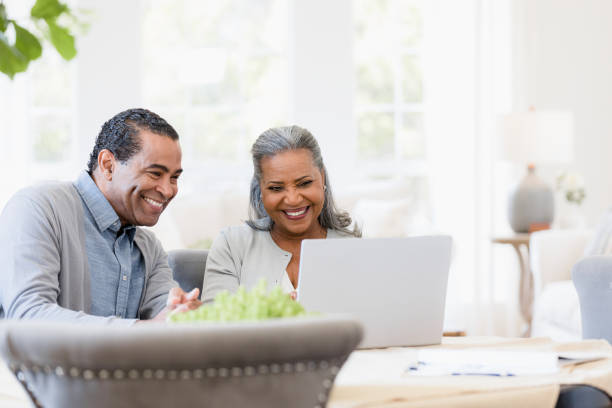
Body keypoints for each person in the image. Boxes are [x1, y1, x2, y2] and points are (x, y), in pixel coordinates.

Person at [0, 108, 201, 325]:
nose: (168, 190)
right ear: (108, 165)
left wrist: (180, 312)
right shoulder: (38, 208)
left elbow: (166, 311)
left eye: (174, 178)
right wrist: (143, 329)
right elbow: (28, 316)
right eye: (155, 173)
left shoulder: (149, 248)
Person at [202, 125, 361, 303]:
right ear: (260, 189)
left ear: (322, 177)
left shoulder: (354, 249)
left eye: (304, 183)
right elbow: (213, 324)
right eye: (276, 188)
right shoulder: (231, 246)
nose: (293, 199)